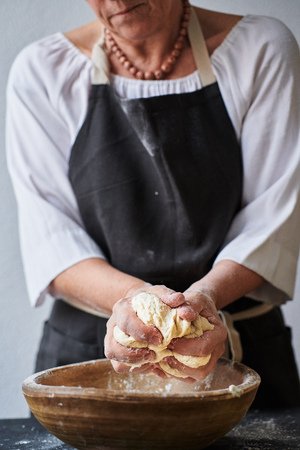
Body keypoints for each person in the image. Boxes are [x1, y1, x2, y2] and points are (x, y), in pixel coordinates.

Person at [6, 0, 300, 409]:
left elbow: (272, 219)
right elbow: (52, 240)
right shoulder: (42, 72)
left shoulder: (261, 50)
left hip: (236, 352)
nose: (117, 2)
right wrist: (140, 304)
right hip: (88, 362)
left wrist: (205, 300)